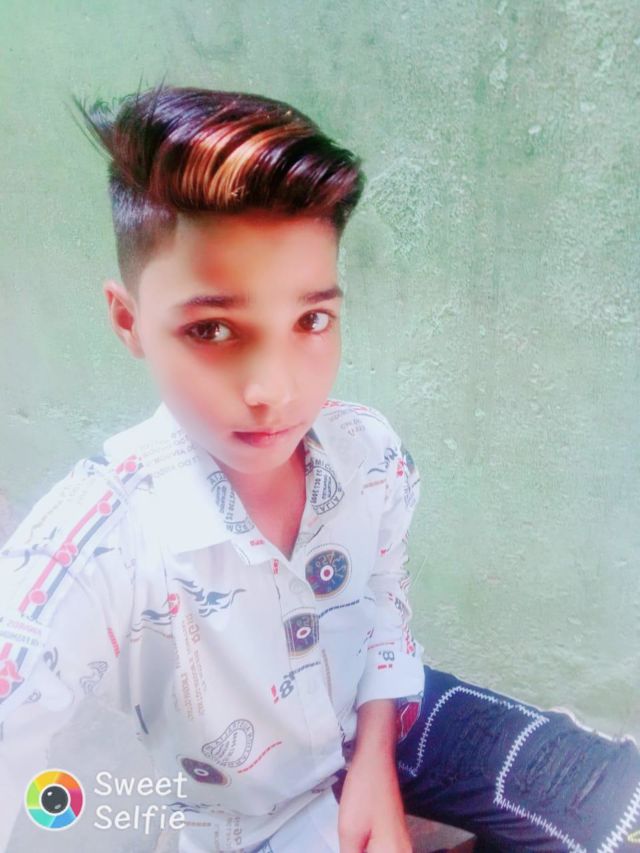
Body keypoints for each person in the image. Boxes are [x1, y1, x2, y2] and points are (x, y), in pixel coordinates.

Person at [0, 84, 638, 853]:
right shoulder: (98, 542)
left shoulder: (366, 452)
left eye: (311, 319)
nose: (273, 389)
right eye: (213, 329)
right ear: (129, 319)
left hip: (394, 718)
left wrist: (374, 762)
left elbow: (383, 607)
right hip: (247, 818)